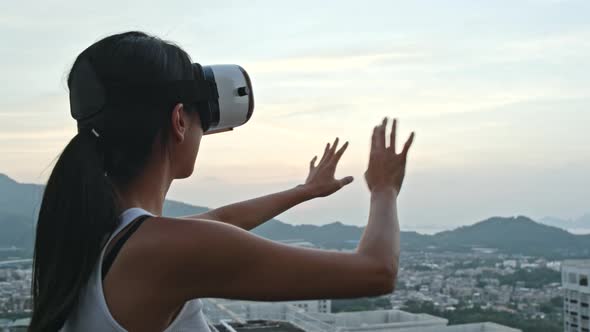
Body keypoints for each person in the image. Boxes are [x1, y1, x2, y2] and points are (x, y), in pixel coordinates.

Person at [29, 31, 415, 332]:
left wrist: (303, 192)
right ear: (179, 120)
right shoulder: (159, 250)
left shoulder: (97, 234)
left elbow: (220, 220)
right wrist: (384, 189)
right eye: (198, 118)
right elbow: (377, 271)